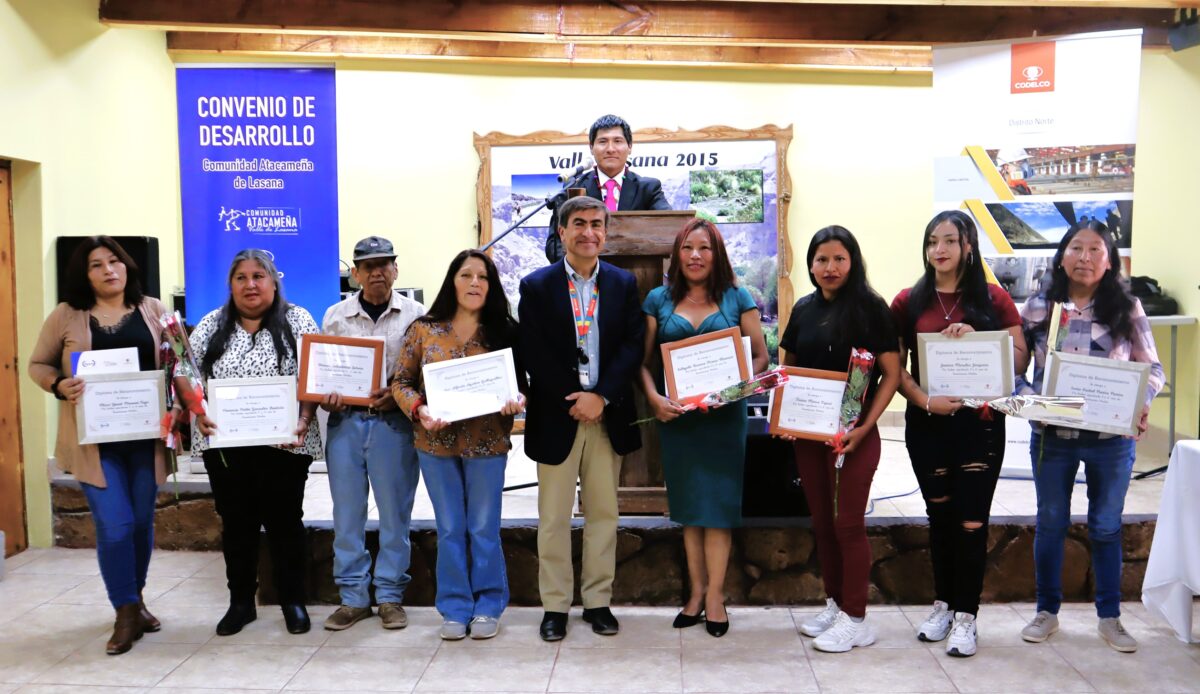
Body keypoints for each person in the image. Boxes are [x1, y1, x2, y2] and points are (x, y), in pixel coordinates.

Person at [1015, 221, 1163, 652]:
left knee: (1105, 525)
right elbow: (1015, 370)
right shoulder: (1039, 307)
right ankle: (1046, 612)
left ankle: (1110, 617)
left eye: (1095, 249)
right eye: (1075, 248)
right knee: (1051, 522)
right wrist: (1032, 402)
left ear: (1110, 259)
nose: (1084, 257)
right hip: (1052, 436)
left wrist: (1141, 402)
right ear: (1061, 256)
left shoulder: (1127, 307)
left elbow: (1152, 369)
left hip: (1110, 440)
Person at [890, 210, 1027, 657]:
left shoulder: (994, 299)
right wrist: (925, 401)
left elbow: (1019, 359)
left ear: (968, 245)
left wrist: (981, 335)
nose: (940, 250)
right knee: (940, 516)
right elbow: (896, 369)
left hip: (980, 427)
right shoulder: (908, 301)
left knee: (972, 520)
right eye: (932, 241)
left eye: (949, 240)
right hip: (927, 423)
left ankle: (967, 616)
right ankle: (943, 605)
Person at [29, 236, 171, 655]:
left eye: (115, 261)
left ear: (127, 266)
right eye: (96, 265)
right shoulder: (67, 316)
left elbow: (176, 361)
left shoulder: (154, 310)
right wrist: (57, 384)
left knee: (142, 523)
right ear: (84, 275)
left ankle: (137, 597)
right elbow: (37, 364)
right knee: (115, 526)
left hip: (146, 440)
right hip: (95, 444)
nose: (109, 270)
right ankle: (124, 610)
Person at [519, 195, 645, 641]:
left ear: (605, 233)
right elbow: (533, 352)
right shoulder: (536, 287)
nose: (588, 232)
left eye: (596, 224)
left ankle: (597, 602)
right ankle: (554, 606)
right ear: (562, 232)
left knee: (602, 514)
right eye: (578, 224)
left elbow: (633, 345)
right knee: (553, 518)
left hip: (606, 415)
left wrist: (603, 396)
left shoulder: (623, 283)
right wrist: (575, 398)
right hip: (558, 415)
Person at [179, 249, 322, 637]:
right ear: (231, 285)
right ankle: (240, 603)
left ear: (274, 281)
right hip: (227, 449)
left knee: (285, 524)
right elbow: (184, 371)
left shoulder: (298, 319)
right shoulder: (211, 324)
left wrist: (305, 418)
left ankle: (293, 600)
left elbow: (314, 373)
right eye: (241, 278)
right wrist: (198, 407)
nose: (251, 284)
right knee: (237, 526)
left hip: (286, 445)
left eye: (259, 276)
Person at [639, 218, 767, 637]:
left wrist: (731, 392)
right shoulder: (658, 299)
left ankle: (715, 598)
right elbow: (643, 364)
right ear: (676, 254)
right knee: (691, 513)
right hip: (679, 422)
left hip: (722, 422)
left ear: (717, 254)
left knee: (718, 512)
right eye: (688, 248)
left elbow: (761, 359)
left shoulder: (737, 296)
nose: (696, 255)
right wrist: (655, 400)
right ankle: (695, 594)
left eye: (705, 248)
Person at [778, 226, 900, 653]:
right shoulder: (805, 308)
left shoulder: (871, 308)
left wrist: (866, 426)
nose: (829, 268)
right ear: (810, 264)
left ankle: (858, 618)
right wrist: (787, 415)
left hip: (854, 436)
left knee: (848, 523)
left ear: (853, 262)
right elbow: (789, 366)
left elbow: (890, 372)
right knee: (823, 523)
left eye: (838, 259)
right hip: (810, 435)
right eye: (821, 260)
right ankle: (836, 603)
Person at [392, 250, 525, 641]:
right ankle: (454, 607)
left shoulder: (505, 330)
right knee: (450, 527)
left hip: (487, 444)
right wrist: (420, 409)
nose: (474, 283)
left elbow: (524, 388)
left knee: (483, 527)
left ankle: (487, 604)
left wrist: (517, 402)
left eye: (482, 277)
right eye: (466, 275)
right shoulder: (424, 330)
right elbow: (400, 382)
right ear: (453, 280)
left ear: (492, 284)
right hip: (435, 444)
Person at [318, 236, 426, 631]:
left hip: (394, 426)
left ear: (396, 270)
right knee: (347, 515)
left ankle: (391, 596)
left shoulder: (418, 315)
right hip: (345, 423)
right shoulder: (335, 316)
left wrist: (397, 397)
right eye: (368, 266)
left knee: (396, 515)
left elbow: (424, 373)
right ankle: (352, 598)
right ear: (355, 274)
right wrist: (327, 396)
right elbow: (323, 371)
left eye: (385, 264)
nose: (377, 272)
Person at [544, 114, 671, 262]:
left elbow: (669, 230)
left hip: (637, 278)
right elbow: (555, 244)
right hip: (584, 278)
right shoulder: (574, 188)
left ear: (630, 147)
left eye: (617, 141)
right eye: (603, 141)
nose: (610, 149)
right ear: (591, 148)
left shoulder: (648, 189)